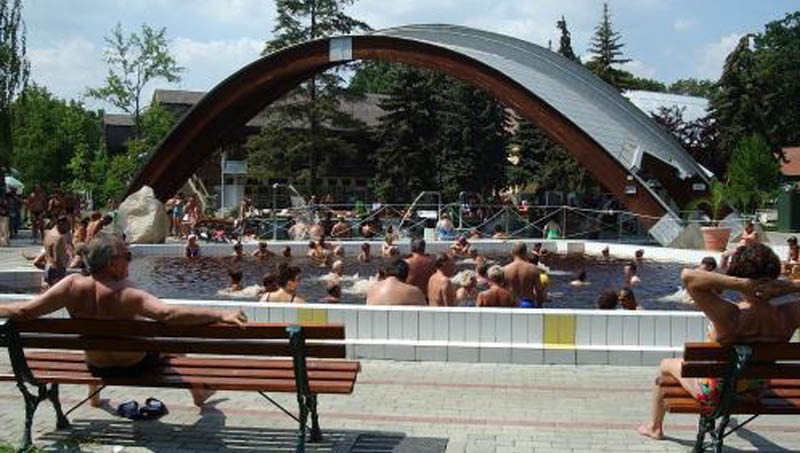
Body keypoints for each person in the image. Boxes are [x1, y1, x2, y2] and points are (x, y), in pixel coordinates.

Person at [0, 233, 247, 407]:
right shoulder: (127, 293)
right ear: (112, 264)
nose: (130, 260)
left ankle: (94, 396)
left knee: (96, 340)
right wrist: (220, 314)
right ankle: (199, 392)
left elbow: (23, 311)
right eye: (127, 256)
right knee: (172, 351)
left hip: (96, 365)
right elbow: (169, 315)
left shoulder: (71, 285)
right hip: (134, 366)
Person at [637, 242, 800, 441]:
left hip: (716, 392)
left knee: (665, 365)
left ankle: (654, 427)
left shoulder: (731, 315)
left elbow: (688, 276)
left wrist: (740, 283)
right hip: (756, 390)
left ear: (739, 276)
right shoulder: (790, 314)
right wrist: (788, 286)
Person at [503, 243, 545, 308]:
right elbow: (539, 290)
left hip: (512, 303)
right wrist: (539, 306)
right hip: (528, 303)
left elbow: (503, 290)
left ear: (512, 253)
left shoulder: (505, 269)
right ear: (525, 253)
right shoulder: (533, 269)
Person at [43, 216, 72, 288]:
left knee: (49, 291)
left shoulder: (48, 233)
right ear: (61, 224)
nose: (69, 228)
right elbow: (56, 257)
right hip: (57, 269)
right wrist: (60, 271)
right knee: (59, 292)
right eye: (67, 225)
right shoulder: (59, 237)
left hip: (48, 266)